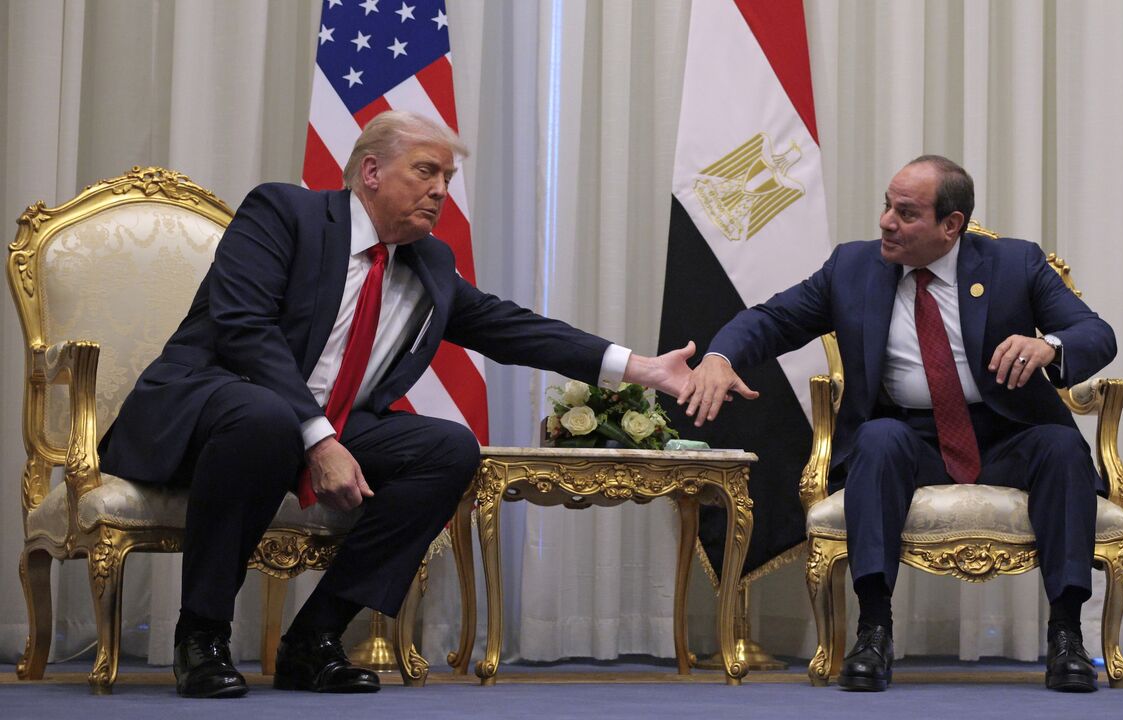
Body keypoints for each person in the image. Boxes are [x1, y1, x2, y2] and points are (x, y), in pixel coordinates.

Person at [99, 110, 693, 698]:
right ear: (373, 171)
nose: (439, 191)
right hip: (214, 409)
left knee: (447, 449)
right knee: (266, 417)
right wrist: (319, 438)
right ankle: (201, 635)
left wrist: (639, 368)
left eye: (447, 181)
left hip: (319, 426)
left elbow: (511, 328)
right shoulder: (286, 214)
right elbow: (244, 330)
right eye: (427, 172)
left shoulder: (428, 263)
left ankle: (316, 638)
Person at [678, 155, 1115, 693]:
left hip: (1006, 435)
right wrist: (722, 358)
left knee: (1061, 446)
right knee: (877, 439)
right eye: (887, 205)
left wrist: (1047, 345)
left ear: (950, 225)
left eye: (906, 213)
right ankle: (874, 630)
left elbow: (1095, 334)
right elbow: (772, 319)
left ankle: (1067, 634)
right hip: (910, 438)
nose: (886, 221)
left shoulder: (1014, 264)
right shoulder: (853, 268)